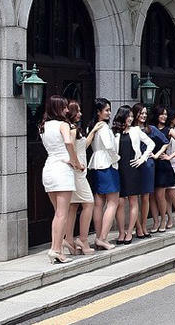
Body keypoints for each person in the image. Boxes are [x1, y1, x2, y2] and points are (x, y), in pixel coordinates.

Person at [39, 95, 81, 264]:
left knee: (58, 213)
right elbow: (69, 143)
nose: (66, 110)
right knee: (62, 214)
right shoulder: (63, 125)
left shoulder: (43, 126)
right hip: (62, 169)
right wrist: (75, 162)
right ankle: (56, 249)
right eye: (63, 107)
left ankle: (57, 248)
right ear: (57, 109)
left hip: (49, 168)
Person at [114, 105, 154, 244]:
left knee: (133, 200)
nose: (130, 118)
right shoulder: (114, 132)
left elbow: (151, 144)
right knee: (119, 202)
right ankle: (121, 232)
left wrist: (142, 159)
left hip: (133, 168)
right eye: (128, 116)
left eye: (132, 116)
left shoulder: (136, 130)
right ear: (122, 117)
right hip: (118, 168)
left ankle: (130, 232)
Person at [86, 98, 119, 250]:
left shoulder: (91, 127)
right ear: (99, 112)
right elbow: (110, 148)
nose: (109, 112)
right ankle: (103, 238)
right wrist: (116, 159)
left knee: (99, 202)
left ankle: (99, 237)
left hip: (95, 165)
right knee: (113, 202)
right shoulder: (104, 128)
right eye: (106, 110)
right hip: (107, 164)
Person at [65, 101, 97, 255]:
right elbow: (69, 147)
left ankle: (69, 240)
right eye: (77, 111)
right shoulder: (71, 130)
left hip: (74, 173)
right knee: (89, 203)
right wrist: (77, 164)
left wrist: (93, 131)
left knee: (73, 206)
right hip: (77, 173)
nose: (80, 114)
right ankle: (82, 240)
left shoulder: (72, 129)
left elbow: (81, 146)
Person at [149, 106, 175, 232]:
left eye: (166, 114)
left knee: (161, 195)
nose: (164, 117)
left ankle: (164, 220)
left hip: (162, 164)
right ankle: (155, 221)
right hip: (151, 163)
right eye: (161, 114)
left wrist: (170, 156)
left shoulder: (169, 130)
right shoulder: (150, 129)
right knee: (151, 196)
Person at [130, 103, 158, 239]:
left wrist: (155, 155)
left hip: (147, 164)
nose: (144, 116)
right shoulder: (130, 129)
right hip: (133, 164)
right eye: (141, 113)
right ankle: (138, 228)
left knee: (146, 196)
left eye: (145, 113)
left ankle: (143, 224)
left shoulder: (150, 129)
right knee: (134, 197)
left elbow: (165, 141)